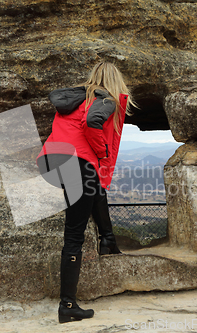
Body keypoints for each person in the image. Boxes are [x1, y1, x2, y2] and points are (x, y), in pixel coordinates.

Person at [36, 62, 136, 323]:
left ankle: (108, 240)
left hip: (51, 160)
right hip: (78, 162)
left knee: (94, 191)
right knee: (74, 235)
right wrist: (101, 151)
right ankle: (67, 306)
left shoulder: (75, 99)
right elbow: (93, 123)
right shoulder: (105, 100)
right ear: (116, 82)